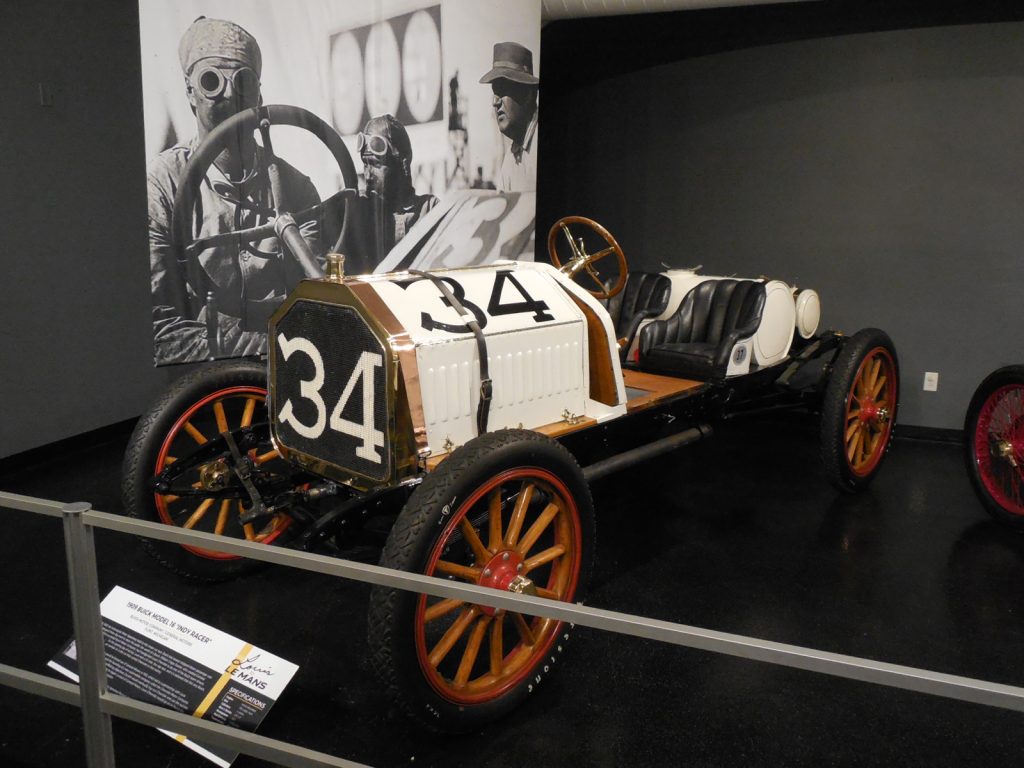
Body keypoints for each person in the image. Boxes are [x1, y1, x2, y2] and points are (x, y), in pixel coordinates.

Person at [147, 16, 322, 365]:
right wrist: (257, 349)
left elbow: (316, 303)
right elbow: (159, 328)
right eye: (211, 81)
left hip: (290, 370)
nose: (228, 94)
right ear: (190, 93)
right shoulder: (163, 185)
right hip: (205, 385)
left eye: (242, 81)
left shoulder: (297, 188)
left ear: (258, 93)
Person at [358, 114, 439, 261]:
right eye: (365, 164)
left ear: (402, 163)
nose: (368, 176)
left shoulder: (430, 210)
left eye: (376, 165)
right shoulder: (360, 213)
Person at [479, 41, 539, 192]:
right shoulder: (510, 159)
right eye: (494, 92)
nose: (495, 102)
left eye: (503, 90)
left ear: (529, 94)